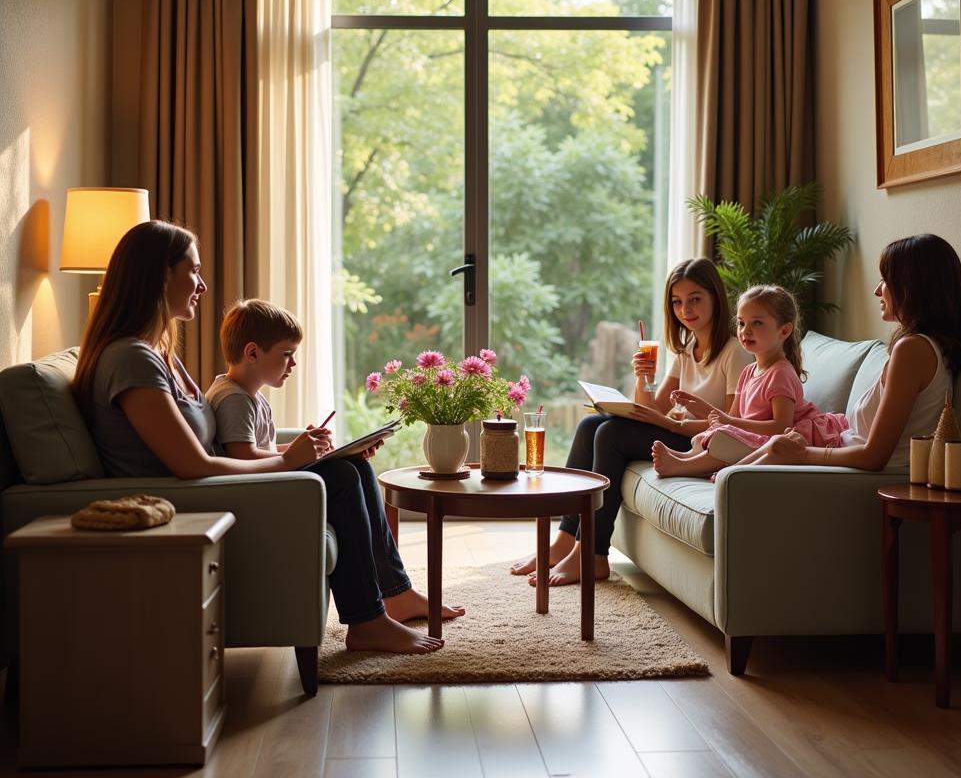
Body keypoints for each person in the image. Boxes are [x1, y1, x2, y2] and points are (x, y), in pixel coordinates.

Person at [72, 220, 462, 655]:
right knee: (342, 477)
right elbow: (190, 464)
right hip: (186, 502)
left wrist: (300, 454)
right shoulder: (130, 358)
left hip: (209, 488)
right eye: (194, 271)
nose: (201, 284)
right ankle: (367, 622)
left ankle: (393, 593)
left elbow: (208, 447)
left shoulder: (157, 354)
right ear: (162, 275)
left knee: (351, 464)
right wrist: (285, 462)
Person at [510, 257, 750, 586]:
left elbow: (730, 427)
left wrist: (670, 425)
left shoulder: (734, 352)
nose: (685, 309)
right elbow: (650, 407)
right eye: (677, 302)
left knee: (609, 434)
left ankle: (593, 555)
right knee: (589, 427)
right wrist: (643, 377)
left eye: (695, 299)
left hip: (706, 447)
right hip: (685, 437)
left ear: (715, 299)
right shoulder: (687, 349)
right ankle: (564, 541)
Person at [720, 234, 961, 472]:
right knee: (756, 456)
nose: (877, 290)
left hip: (853, 472)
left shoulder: (913, 350)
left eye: (886, 279)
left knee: (773, 448)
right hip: (843, 454)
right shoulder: (931, 347)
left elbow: (873, 457)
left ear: (913, 287)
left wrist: (803, 453)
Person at [652, 284, 848, 478]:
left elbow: (781, 427)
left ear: (784, 331)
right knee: (713, 434)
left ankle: (682, 466)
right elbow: (734, 419)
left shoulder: (780, 374)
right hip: (755, 438)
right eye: (741, 323)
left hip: (778, 441)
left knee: (724, 437)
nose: (745, 331)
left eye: (757, 323)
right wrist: (704, 410)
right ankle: (685, 459)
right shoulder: (748, 372)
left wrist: (727, 422)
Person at [206, 298, 327, 460]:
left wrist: (304, 448)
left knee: (352, 464)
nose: (294, 362)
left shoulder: (250, 395)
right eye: (287, 354)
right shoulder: (234, 400)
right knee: (343, 471)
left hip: (267, 478)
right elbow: (245, 457)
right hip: (259, 484)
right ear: (252, 353)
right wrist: (294, 457)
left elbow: (263, 449)